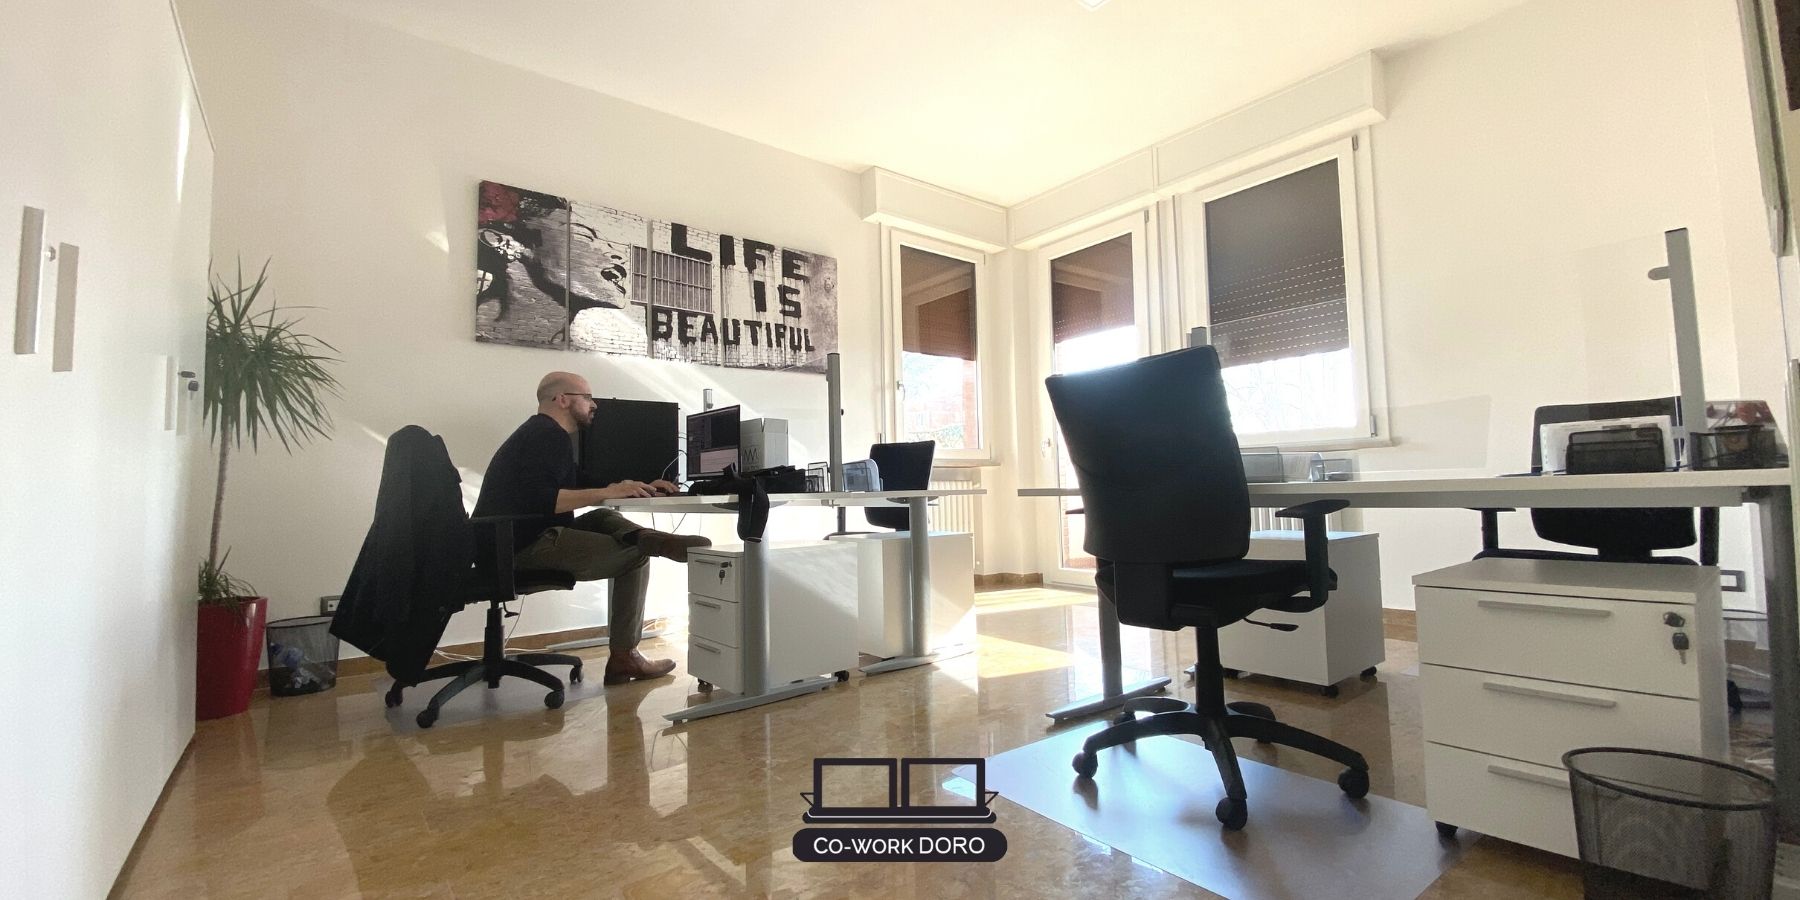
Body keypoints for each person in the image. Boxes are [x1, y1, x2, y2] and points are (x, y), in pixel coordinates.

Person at [473, 371, 709, 684]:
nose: (594, 404)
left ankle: (651, 539)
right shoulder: (545, 436)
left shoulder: (544, 434)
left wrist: (638, 485)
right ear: (562, 399)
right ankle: (624, 658)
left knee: (600, 518)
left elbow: (584, 482)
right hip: (518, 549)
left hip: (516, 540)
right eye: (587, 397)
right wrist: (607, 492)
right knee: (634, 558)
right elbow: (544, 500)